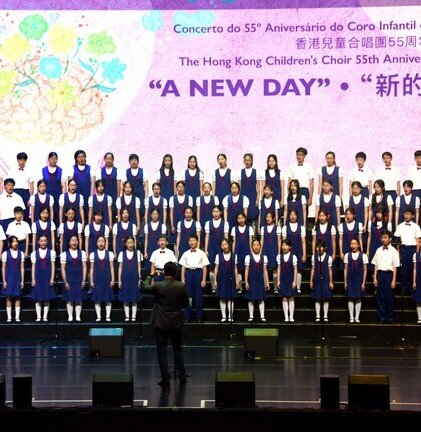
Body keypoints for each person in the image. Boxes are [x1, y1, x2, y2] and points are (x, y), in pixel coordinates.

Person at [143, 261, 188, 387]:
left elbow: (144, 287)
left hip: (161, 322)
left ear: (164, 272)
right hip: (176, 322)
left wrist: (151, 275)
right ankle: (182, 375)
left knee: (162, 351)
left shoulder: (158, 285)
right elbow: (185, 304)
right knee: (178, 349)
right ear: (175, 273)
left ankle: (165, 378)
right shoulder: (181, 286)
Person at [179, 234, 209, 323]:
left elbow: (204, 267)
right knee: (188, 296)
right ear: (188, 242)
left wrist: (203, 279)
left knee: (199, 296)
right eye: (190, 241)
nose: (192, 242)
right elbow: (183, 267)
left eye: (193, 240)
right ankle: (187, 316)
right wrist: (182, 279)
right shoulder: (185, 253)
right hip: (188, 274)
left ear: (197, 241)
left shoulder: (202, 253)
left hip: (198, 274)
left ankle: (199, 316)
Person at [371, 230, 400, 323]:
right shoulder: (378, 250)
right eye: (382, 237)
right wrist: (375, 277)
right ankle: (382, 317)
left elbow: (395, 266)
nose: (383, 239)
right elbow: (376, 265)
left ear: (390, 239)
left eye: (385, 237)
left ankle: (390, 317)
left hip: (389, 275)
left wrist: (393, 280)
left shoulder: (394, 251)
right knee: (380, 297)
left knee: (389, 297)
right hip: (380, 274)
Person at [394, 208, 421, 295]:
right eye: (405, 214)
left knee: (413, 269)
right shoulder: (400, 226)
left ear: (413, 216)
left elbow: (418, 241)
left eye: (408, 214)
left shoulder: (416, 226)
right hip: (404, 249)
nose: (406, 215)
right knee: (404, 269)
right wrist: (398, 252)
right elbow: (398, 241)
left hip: (413, 249)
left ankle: (412, 287)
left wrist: (417, 253)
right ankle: (404, 288)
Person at [60, 235, 87, 322]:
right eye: (72, 240)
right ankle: (70, 315)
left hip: (79, 278)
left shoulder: (82, 253)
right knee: (69, 297)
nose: (74, 242)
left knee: (79, 298)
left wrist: (83, 280)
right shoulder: (64, 254)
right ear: (69, 242)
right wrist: (65, 281)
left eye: (76, 240)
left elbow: (84, 267)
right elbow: (63, 268)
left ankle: (78, 316)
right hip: (69, 278)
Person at [31, 235, 56, 322]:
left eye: (45, 241)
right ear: (38, 242)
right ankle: (38, 316)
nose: (43, 242)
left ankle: (45, 316)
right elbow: (33, 267)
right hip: (38, 277)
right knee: (38, 298)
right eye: (41, 241)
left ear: (47, 242)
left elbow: (53, 266)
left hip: (47, 277)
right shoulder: (34, 253)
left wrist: (52, 278)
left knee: (46, 297)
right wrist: (33, 279)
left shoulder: (51, 253)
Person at [89, 236, 115, 322]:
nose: (101, 243)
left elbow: (111, 267)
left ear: (105, 243)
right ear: (96, 243)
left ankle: (108, 316)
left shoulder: (110, 254)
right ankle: (98, 316)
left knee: (108, 298)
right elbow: (91, 268)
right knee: (97, 298)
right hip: (97, 278)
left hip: (107, 278)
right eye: (99, 241)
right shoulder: (93, 254)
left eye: (102, 241)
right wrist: (91, 280)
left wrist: (113, 279)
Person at [204, 205, 229, 293]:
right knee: (211, 267)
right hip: (211, 248)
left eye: (217, 211)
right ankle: (213, 286)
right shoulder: (208, 223)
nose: (215, 213)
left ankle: (222, 285)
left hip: (221, 248)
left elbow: (226, 237)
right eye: (214, 211)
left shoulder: (225, 223)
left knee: (222, 267)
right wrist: (206, 249)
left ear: (221, 213)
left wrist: (227, 248)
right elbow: (207, 237)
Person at [117, 236, 142, 322]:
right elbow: (120, 268)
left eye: (132, 242)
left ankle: (134, 316)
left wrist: (139, 278)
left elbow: (139, 267)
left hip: (134, 278)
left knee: (134, 298)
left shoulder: (138, 253)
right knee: (126, 298)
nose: (130, 244)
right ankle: (127, 316)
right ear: (125, 244)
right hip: (125, 278)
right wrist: (119, 280)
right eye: (129, 243)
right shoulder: (122, 253)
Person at [244, 238, 270, 322]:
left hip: (260, 281)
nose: (256, 247)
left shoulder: (264, 257)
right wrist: (246, 281)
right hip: (251, 280)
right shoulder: (248, 257)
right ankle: (251, 316)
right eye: (254, 245)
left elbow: (265, 270)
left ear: (260, 246)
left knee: (261, 298)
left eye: (257, 245)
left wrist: (267, 282)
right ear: (251, 246)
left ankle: (262, 316)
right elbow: (247, 270)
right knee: (251, 299)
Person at [214, 238, 239, 322]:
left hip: (231, 278)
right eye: (222, 245)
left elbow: (235, 268)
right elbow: (216, 268)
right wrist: (215, 280)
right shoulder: (218, 255)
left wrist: (236, 280)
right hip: (222, 278)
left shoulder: (234, 255)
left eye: (225, 244)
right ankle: (224, 316)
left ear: (229, 245)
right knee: (222, 297)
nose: (224, 246)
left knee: (230, 298)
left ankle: (230, 316)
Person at [282, 209, 306, 294]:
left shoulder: (301, 228)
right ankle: (289, 286)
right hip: (288, 252)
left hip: (298, 250)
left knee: (299, 269)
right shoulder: (285, 227)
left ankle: (298, 287)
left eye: (294, 215)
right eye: (291, 215)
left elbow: (303, 241)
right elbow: (284, 242)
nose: (292, 216)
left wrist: (304, 254)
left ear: (297, 216)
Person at [344, 238, 368, 323]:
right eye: (351, 244)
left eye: (354, 244)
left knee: (358, 298)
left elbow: (365, 270)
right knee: (350, 298)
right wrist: (345, 282)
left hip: (359, 279)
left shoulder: (363, 255)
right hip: (350, 279)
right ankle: (351, 317)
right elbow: (346, 269)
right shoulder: (347, 255)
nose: (353, 245)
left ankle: (357, 317)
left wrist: (363, 282)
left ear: (358, 245)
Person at [2, 236, 25, 322]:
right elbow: (3, 268)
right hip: (9, 277)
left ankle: (17, 317)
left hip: (17, 277)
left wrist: (22, 280)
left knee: (17, 297)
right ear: (10, 243)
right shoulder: (5, 253)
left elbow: (22, 268)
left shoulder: (21, 253)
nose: (16, 243)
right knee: (9, 297)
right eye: (13, 241)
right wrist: (4, 280)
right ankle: (9, 317)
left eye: (17, 241)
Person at [310, 240, 334, 322]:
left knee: (325, 298)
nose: (319, 248)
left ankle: (325, 315)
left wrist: (330, 281)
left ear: (324, 248)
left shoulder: (328, 257)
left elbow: (330, 270)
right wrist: (311, 280)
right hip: (317, 278)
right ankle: (317, 315)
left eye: (320, 247)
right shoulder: (314, 257)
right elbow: (313, 269)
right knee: (317, 298)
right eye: (317, 247)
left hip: (325, 278)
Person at [41, 151, 65, 226]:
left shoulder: (61, 170)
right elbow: (40, 185)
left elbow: (63, 186)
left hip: (58, 196)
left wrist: (64, 197)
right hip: (46, 196)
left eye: (55, 159)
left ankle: (57, 234)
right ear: (48, 159)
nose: (54, 161)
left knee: (58, 214)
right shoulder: (43, 170)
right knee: (46, 213)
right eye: (52, 159)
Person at [8, 152, 33, 220]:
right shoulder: (12, 170)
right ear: (17, 160)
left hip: (25, 192)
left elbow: (31, 185)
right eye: (20, 159)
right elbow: (9, 183)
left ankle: (26, 228)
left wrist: (30, 198)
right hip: (15, 192)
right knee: (14, 211)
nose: (22, 162)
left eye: (24, 160)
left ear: (26, 160)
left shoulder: (29, 170)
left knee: (26, 212)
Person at [277, 239, 298, 322]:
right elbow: (279, 269)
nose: (284, 247)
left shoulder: (293, 257)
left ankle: (291, 316)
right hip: (283, 279)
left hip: (290, 279)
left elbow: (295, 269)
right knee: (284, 298)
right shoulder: (279, 257)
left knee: (291, 297)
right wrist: (278, 280)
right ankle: (286, 316)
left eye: (285, 245)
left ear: (290, 247)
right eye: (283, 245)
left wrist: (295, 281)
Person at [260, 211, 281, 293]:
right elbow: (261, 241)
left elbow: (279, 241)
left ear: (273, 218)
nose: (268, 219)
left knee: (274, 269)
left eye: (269, 217)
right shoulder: (263, 228)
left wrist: (279, 252)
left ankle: (276, 287)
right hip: (265, 250)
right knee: (264, 268)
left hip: (274, 250)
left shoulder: (277, 228)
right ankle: (265, 285)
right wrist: (260, 252)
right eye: (267, 217)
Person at [123, 153, 148, 221]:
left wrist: (145, 197)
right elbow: (123, 186)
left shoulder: (143, 171)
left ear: (138, 161)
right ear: (129, 162)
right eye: (132, 160)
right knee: (130, 212)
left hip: (140, 195)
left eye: (135, 160)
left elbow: (146, 185)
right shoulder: (126, 172)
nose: (134, 162)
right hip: (130, 196)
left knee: (140, 213)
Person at [69, 150, 94, 217]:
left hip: (87, 195)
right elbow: (70, 184)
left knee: (88, 213)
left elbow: (93, 183)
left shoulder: (90, 168)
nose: (81, 158)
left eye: (83, 156)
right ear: (76, 159)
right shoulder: (72, 169)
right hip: (76, 195)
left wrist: (91, 196)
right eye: (79, 157)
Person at [240, 153, 261, 224]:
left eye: (249, 160)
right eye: (245, 160)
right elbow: (239, 187)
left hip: (252, 196)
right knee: (243, 215)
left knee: (253, 215)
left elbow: (258, 187)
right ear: (243, 161)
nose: (247, 162)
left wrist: (257, 199)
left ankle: (253, 233)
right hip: (243, 195)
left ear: (252, 161)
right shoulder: (240, 172)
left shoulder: (256, 172)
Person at [412, 238, 421, 323]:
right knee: (419, 298)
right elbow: (414, 269)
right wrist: (414, 281)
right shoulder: (416, 255)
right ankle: (419, 317)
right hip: (419, 278)